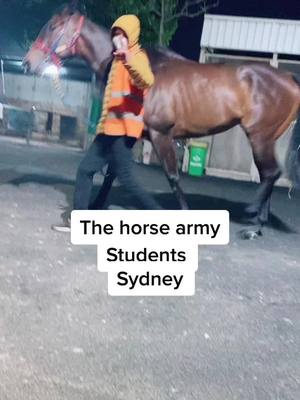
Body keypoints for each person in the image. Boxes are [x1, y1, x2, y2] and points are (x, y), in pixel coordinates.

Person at [53, 15, 162, 232]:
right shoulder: (116, 62)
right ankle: (80, 222)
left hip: (123, 131)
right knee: (85, 170)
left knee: (127, 181)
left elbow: (147, 80)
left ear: (131, 36)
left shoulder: (136, 57)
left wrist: (129, 58)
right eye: (115, 34)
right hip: (108, 130)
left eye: (123, 34)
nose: (118, 39)